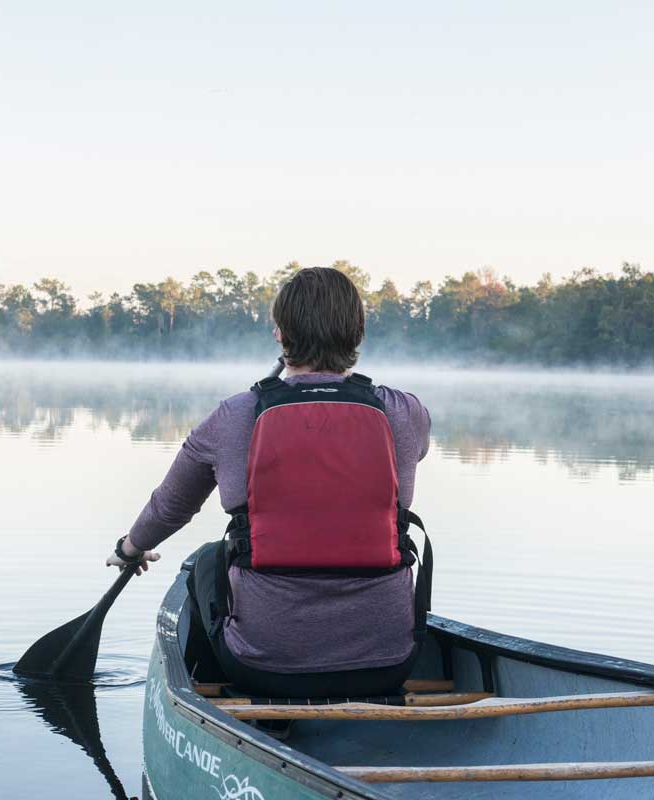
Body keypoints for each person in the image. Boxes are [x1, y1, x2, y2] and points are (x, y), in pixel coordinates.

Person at [106, 267, 432, 698]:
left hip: (262, 666)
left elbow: (171, 507)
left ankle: (232, 711)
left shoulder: (235, 415)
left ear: (279, 333)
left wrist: (129, 549)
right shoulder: (403, 412)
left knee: (206, 560)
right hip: (391, 662)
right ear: (358, 333)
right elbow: (414, 451)